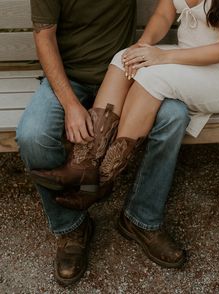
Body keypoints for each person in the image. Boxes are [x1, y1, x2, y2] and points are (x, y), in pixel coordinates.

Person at [16, 0, 190, 287]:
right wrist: (71, 105)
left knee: (174, 116)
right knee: (33, 136)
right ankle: (71, 228)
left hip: (127, 75)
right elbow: (44, 38)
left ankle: (141, 218)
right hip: (68, 79)